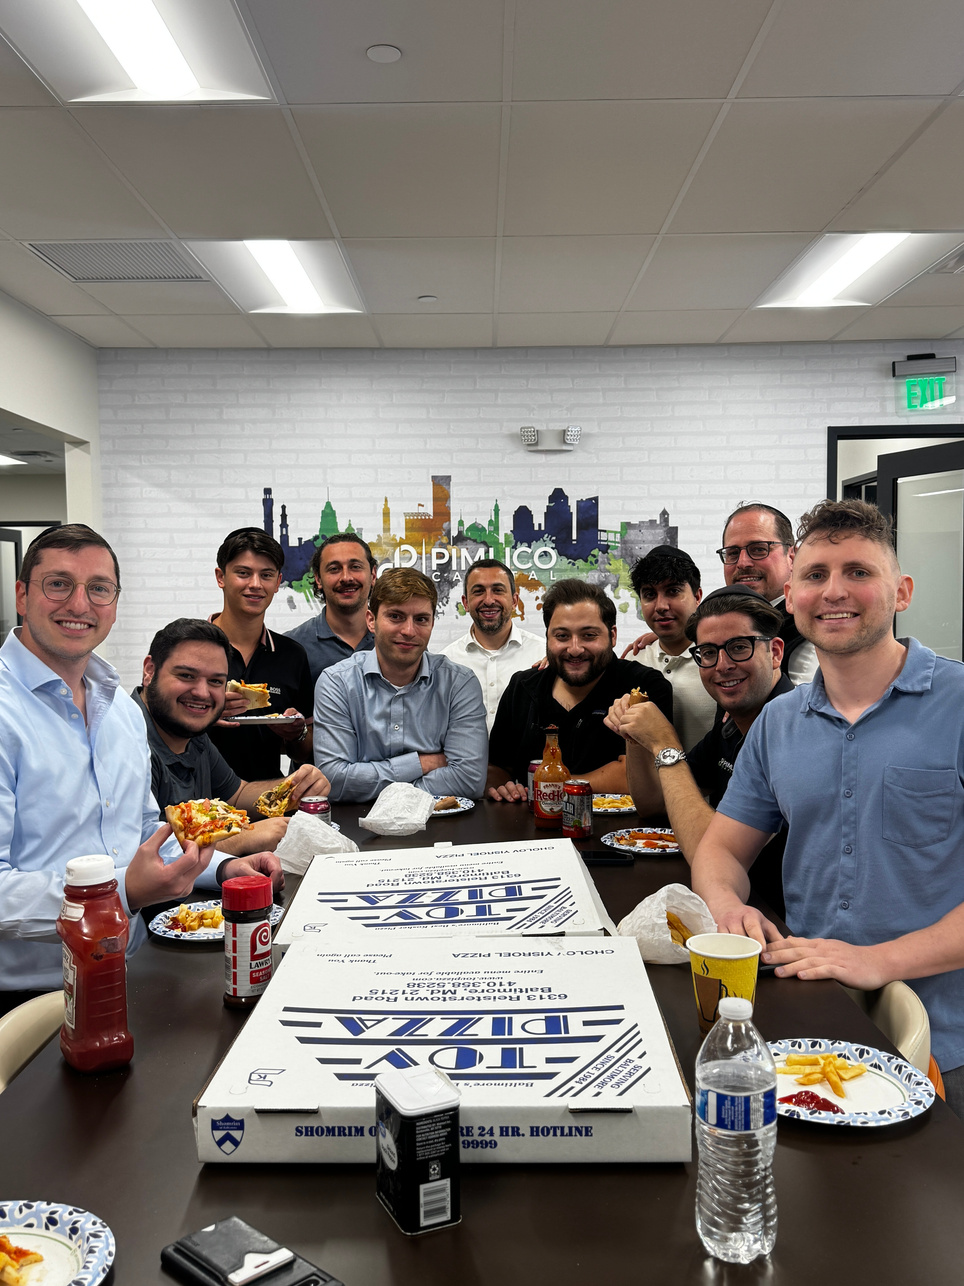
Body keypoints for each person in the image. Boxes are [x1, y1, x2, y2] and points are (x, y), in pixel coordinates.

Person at [691, 499, 964, 1115]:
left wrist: (878, 961)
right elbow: (721, 850)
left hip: (946, 1047)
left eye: (858, 571)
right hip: (813, 1031)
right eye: (815, 575)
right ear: (791, 597)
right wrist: (729, 906)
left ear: (902, 591)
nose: (834, 591)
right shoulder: (778, 724)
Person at [0, 524, 280, 1015]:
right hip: (31, 1002)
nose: (80, 604)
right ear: (22, 595)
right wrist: (121, 892)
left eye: (99, 588)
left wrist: (223, 868)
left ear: (114, 602)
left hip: (135, 972)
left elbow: (147, 833)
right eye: (58, 584)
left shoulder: (121, 712)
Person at [607, 586, 792, 917]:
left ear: (775, 652)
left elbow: (713, 857)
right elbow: (655, 806)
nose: (722, 665)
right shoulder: (731, 723)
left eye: (739, 647)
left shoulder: (791, 730)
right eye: (708, 652)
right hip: (739, 908)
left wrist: (664, 743)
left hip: (778, 922)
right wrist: (635, 735)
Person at [136, 618, 330, 862]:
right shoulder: (125, 742)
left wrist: (294, 787)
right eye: (186, 675)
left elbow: (237, 794)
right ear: (149, 671)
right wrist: (242, 838)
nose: (202, 693)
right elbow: (134, 854)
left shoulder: (191, 733)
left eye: (216, 681)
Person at [487, 579, 673, 801]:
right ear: (548, 638)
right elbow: (497, 768)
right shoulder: (521, 687)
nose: (574, 649)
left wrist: (547, 786)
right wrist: (503, 788)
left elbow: (638, 777)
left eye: (589, 635)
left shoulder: (645, 687)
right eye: (562, 636)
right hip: (529, 822)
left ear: (612, 635)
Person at [315, 568, 487, 802]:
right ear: (371, 620)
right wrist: (421, 763)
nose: (408, 631)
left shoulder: (459, 684)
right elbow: (334, 780)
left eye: (421, 619)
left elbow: (468, 780)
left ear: (432, 623)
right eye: (396, 616)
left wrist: (366, 781)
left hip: (441, 822)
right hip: (358, 824)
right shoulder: (337, 683)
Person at [206, 528, 315, 782]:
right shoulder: (187, 646)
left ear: (277, 582)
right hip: (197, 798)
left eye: (266, 575)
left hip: (267, 797)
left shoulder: (292, 655)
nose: (255, 584)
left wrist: (296, 733)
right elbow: (157, 729)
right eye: (243, 573)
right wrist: (205, 712)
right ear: (221, 577)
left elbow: (302, 752)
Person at [627, 545, 717, 750]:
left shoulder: (720, 663)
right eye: (649, 594)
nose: (661, 606)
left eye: (673, 591)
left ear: (697, 596)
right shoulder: (633, 661)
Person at [717, 502, 817, 685]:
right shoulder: (722, 625)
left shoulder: (810, 630)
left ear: (792, 557)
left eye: (759, 549)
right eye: (732, 553)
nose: (742, 563)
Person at [441, 558, 546, 731]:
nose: (489, 600)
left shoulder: (543, 655)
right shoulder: (446, 663)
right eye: (478, 591)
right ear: (465, 603)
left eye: (498, 590)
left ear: (514, 601)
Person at [285, 532, 376, 686]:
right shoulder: (292, 648)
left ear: (373, 575)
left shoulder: (398, 639)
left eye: (355, 567)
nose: (346, 577)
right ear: (318, 579)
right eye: (334, 569)